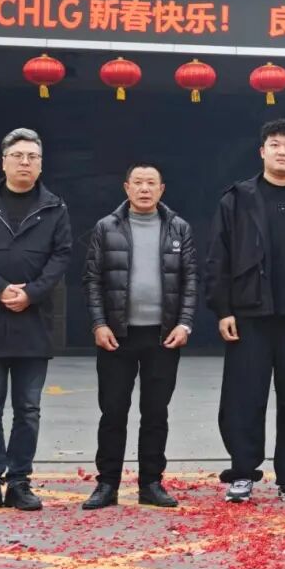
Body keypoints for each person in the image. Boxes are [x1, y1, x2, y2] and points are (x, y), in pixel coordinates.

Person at [205, 119, 285, 503]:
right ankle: (242, 473)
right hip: (250, 315)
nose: (282, 151)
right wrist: (223, 309)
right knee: (244, 397)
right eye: (275, 144)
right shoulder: (237, 200)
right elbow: (218, 258)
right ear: (262, 151)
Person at [0, 128, 72, 512]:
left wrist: (32, 293)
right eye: (18, 156)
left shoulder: (55, 208)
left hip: (34, 323)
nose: (25, 162)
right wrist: (0, 289)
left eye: (33, 157)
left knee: (28, 410)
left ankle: (20, 482)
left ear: (41, 165)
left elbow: (62, 256)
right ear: (3, 161)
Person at [81, 164, 197, 510]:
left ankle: (151, 483)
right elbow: (92, 280)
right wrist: (99, 324)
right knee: (113, 412)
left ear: (162, 189)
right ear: (126, 188)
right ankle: (107, 484)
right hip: (117, 336)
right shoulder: (106, 227)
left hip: (163, 337)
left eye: (151, 183)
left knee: (156, 412)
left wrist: (184, 324)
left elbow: (190, 279)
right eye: (138, 183)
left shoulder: (178, 228)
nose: (144, 189)